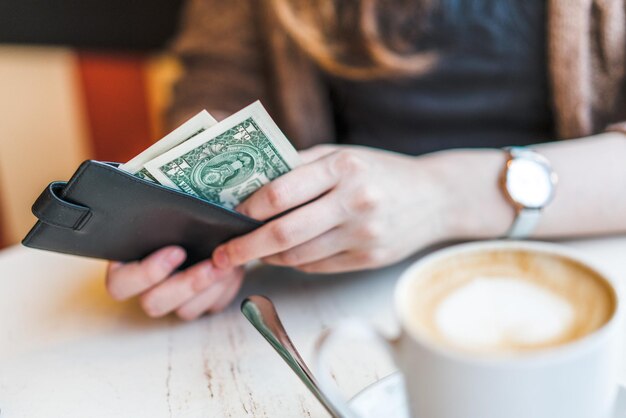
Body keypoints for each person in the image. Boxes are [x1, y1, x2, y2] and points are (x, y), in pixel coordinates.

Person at [105, 0, 626, 320]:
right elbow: (217, 85)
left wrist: (441, 195)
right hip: (332, 289)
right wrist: (199, 227)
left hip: (579, 270)